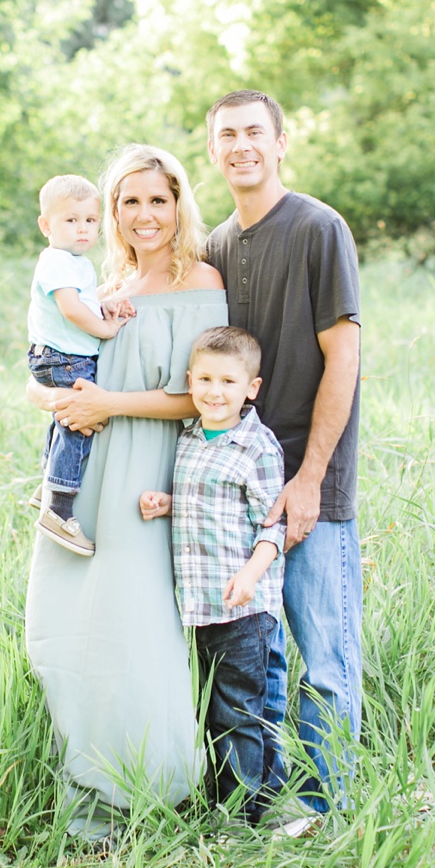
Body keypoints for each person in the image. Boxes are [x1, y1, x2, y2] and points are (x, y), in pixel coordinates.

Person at [24, 144, 226, 844]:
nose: (145, 215)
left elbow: (197, 398)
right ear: (111, 213)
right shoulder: (105, 285)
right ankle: (89, 778)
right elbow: (51, 369)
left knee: (141, 628)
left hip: (152, 475)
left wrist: (107, 401)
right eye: (129, 202)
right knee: (79, 620)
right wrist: (50, 394)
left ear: (179, 205)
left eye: (157, 200)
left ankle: (156, 785)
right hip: (90, 472)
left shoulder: (202, 280)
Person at [204, 89, 362, 813]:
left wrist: (308, 479)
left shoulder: (317, 227)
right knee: (255, 660)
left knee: (324, 659)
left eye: (253, 132)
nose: (240, 145)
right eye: (226, 134)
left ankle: (331, 812)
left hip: (308, 480)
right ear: (213, 151)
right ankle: (262, 804)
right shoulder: (213, 245)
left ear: (279, 141)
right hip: (238, 488)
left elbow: (344, 355)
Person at [139, 325, 285, 822]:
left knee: (238, 712)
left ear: (251, 388)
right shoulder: (190, 439)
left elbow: (273, 527)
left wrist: (250, 574)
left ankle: (240, 817)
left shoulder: (258, 448)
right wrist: (168, 504)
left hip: (243, 607)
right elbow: (208, 505)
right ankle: (229, 800)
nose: (214, 392)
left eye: (227, 381)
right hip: (198, 607)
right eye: (205, 379)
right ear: (189, 380)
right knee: (209, 710)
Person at [27, 174, 128, 556]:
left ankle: (48, 483)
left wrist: (106, 299)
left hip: (58, 356)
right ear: (46, 225)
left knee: (63, 418)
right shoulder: (56, 260)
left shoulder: (74, 262)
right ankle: (60, 506)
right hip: (64, 358)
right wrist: (106, 327)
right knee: (78, 424)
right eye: (71, 220)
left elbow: (83, 299)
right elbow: (71, 309)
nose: (83, 229)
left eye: (90, 220)